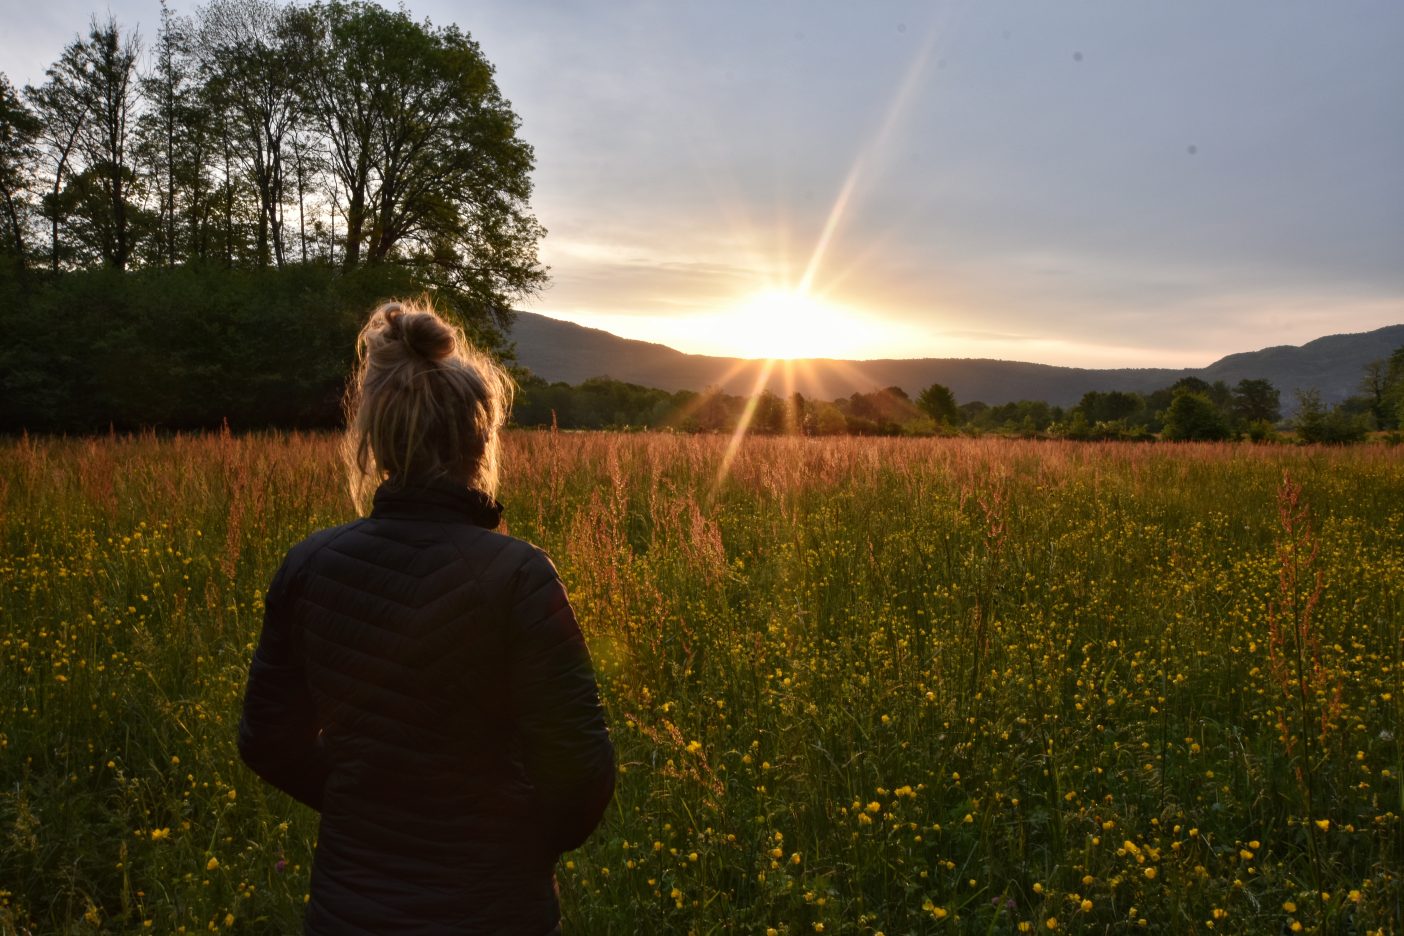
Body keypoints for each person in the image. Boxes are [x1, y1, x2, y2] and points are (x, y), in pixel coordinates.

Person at [238, 300, 615, 935]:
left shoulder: (309, 564)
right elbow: (581, 772)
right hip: (498, 910)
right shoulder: (519, 575)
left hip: (348, 909)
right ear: (480, 440)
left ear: (376, 441)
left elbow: (267, 740)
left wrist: (362, 805)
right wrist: (517, 843)